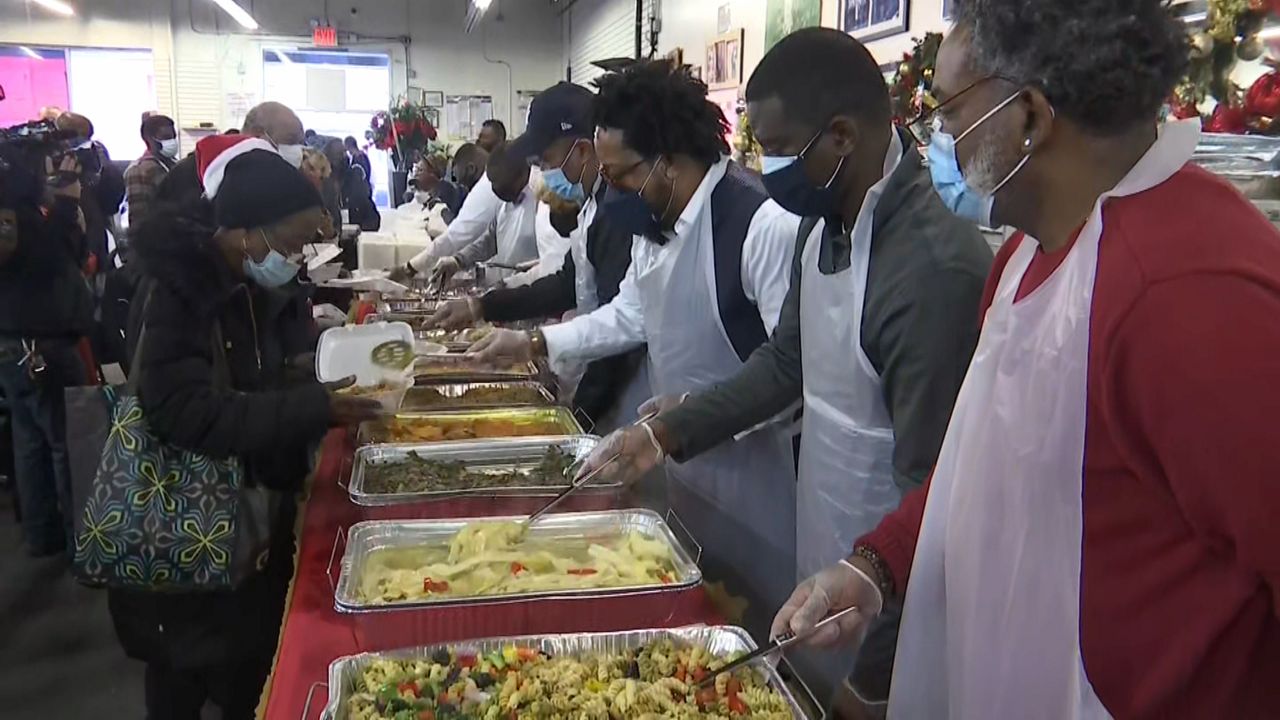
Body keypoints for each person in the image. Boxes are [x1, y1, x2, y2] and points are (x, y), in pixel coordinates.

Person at [773, 1, 1280, 718]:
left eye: (947, 115)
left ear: (1031, 118)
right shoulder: (1026, 254)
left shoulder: (1190, 299)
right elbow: (981, 467)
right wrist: (875, 568)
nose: (934, 141)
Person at [576, 27, 993, 707]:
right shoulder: (821, 221)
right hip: (823, 541)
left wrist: (870, 686)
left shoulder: (930, 269)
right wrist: (662, 435)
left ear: (840, 137)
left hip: (892, 603)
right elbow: (782, 365)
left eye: (775, 150)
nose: (765, 170)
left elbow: (934, 498)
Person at [472, 60, 802, 638]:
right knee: (688, 614)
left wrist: (692, 409)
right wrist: (534, 339)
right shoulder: (655, 220)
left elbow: (794, 375)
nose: (611, 187)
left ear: (669, 163)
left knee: (750, 620)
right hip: (679, 463)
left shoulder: (759, 224)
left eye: (621, 174)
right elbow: (629, 314)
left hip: (755, 481)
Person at [108, 135, 382, 720]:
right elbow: (184, 412)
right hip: (183, 528)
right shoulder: (176, 292)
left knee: (244, 670)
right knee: (185, 677)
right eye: (293, 240)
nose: (300, 254)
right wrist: (315, 407)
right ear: (244, 230)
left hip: (241, 524)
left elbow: (258, 377)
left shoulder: (246, 281)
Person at [428, 82, 648, 431]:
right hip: (595, 373)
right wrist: (481, 307)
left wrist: (578, 421)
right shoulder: (593, 205)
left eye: (546, 158)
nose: (542, 169)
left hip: (622, 399)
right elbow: (567, 284)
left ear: (581, 151)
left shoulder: (616, 214)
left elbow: (619, 338)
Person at [0, 148, 94, 557]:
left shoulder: (10, 223)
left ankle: (41, 534)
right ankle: (81, 542)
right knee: (67, 443)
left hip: (9, 344)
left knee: (28, 440)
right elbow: (63, 257)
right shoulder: (27, 222)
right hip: (45, 345)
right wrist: (68, 199)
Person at [392, 144, 541, 285]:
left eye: (499, 185)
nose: (495, 190)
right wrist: (458, 260)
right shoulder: (505, 198)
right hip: (506, 289)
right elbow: (489, 241)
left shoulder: (541, 200)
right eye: (492, 185)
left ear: (522, 174)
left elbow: (457, 235)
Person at [157, 102, 306, 205]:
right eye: (290, 140)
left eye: (300, 142)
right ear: (258, 135)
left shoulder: (271, 177)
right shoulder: (189, 174)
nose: (298, 150)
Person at [56, 112, 126, 274]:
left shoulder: (70, 162)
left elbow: (86, 209)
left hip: (85, 242)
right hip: (104, 235)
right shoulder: (100, 154)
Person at [124, 114, 178, 232]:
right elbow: (138, 218)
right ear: (149, 139)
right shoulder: (138, 171)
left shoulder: (176, 165)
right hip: (158, 238)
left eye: (174, 137)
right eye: (166, 137)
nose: (172, 141)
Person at [322, 137, 380, 231]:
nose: (344, 157)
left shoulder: (354, 179)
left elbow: (373, 218)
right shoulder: (321, 184)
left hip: (353, 235)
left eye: (345, 152)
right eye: (339, 154)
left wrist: (359, 231)